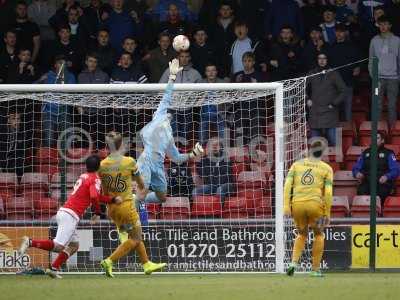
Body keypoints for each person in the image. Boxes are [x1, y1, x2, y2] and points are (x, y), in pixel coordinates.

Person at [18, 155, 121, 279]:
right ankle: (30, 242)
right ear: (99, 167)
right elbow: (94, 197)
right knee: (58, 246)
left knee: (74, 246)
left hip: (65, 212)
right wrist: (97, 213)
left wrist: (112, 199)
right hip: (70, 216)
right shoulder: (94, 179)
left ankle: (53, 268)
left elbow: (96, 196)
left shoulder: (84, 176)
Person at [98, 132, 166, 277]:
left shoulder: (102, 165)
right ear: (120, 144)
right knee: (135, 238)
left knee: (134, 235)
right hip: (127, 207)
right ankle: (109, 261)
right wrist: (143, 185)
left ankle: (146, 264)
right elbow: (141, 183)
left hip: (112, 208)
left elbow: (103, 190)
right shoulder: (129, 161)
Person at [138, 58, 204, 206]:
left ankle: (135, 200)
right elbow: (167, 94)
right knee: (142, 193)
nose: (169, 115)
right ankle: (130, 214)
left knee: (161, 197)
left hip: (159, 165)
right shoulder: (159, 114)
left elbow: (177, 158)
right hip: (147, 160)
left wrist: (192, 154)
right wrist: (172, 76)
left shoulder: (169, 137)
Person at [284, 139, 333, 277]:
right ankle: (315, 269)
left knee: (301, 234)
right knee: (319, 235)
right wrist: (327, 213)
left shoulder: (296, 165)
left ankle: (293, 263)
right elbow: (328, 193)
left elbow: (287, 185)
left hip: (297, 204)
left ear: (309, 150)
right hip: (315, 205)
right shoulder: (327, 168)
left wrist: (286, 206)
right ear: (323, 152)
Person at [307, 53, 346, 146]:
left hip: (330, 113)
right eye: (319, 58)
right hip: (315, 114)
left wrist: (333, 104)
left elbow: (344, 91)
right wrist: (307, 99)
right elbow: (302, 89)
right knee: (315, 147)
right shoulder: (312, 73)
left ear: (328, 60)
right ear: (316, 60)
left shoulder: (334, 74)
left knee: (335, 145)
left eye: (324, 58)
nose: (322, 60)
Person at [368, 15, 400, 128]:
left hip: (393, 79)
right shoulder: (374, 40)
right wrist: (374, 76)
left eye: (385, 24)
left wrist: (398, 77)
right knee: (377, 105)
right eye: (381, 24)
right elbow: (371, 59)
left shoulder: (397, 40)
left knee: (392, 106)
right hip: (378, 79)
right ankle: (378, 132)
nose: (383, 26)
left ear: (390, 25)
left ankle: (392, 131)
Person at [352, 132, 400, 205]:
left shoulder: (389, 153)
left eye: (377, 138)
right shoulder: (365, 153)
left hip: (383, 182)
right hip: (367, 181)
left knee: (382, 192)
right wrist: (357, 173)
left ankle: (380, 213)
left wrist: (387, 176)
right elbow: (356, 167)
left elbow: (395, 170)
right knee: (361, 190)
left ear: (382, 140)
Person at [40, 55, 76, 147]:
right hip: (49, 111)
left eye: (64, 63)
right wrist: (40, 80)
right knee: (49, 140)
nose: (62, 65)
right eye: (60, 63)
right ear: (55, 64)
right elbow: (31, 88)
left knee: (68, 139)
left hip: (64, 111)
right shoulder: (48, 76)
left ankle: (65, 160)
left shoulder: (71, 77)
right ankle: (48, 160)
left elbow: (72, 93)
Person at [328, 24, 360, 122]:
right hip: (333, 84)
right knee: (334, 110)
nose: (339, 34)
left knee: (347, 110)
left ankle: (348, 135)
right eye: (337, 31)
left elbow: (359, 62)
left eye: (341, 31)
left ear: (345, 33)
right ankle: (335, 135)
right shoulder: (330, 47)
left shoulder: (353, 47)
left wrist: (358, 67)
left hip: (347, 83)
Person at [193, 137, 236, 206]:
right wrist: (199, 160)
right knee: (195, 191)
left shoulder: (225, 157)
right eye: (213, 145)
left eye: (217, 145)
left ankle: (219, 212)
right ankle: (199, 211)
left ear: (221, 147)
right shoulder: (206, 159)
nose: (215, 147)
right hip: (212, 186)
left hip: (226, 185)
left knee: (219, 190)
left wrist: (215, 167)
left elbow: (225, 174)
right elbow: (202, 174)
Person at [0, 111, 33, 183]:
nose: (16, 121)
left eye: (18, 119)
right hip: (3, 159)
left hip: (15, 161)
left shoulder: (23, 133)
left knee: (19, 165)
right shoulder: (2, 132)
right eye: (13, 119)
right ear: (8, 120)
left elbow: (22, 152)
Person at [199, 63, 227, 143]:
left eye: (213, 70)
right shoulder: (200, 83)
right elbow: (197, 102)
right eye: (208, 71)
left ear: (216, 72)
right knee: (202, 126)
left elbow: (228, 101)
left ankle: (224, 147)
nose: (211, 73)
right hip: (205, 113)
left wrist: (221, 99)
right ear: (205, 73)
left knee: (223, 126)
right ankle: (201, 148)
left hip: (219, 113)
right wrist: (203, 96)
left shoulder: (223, 83)